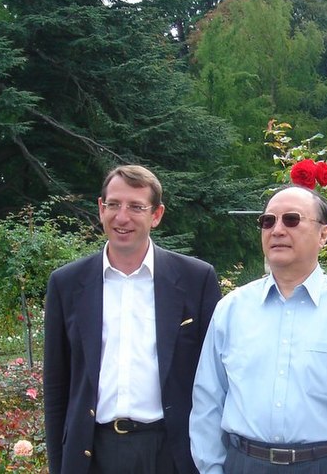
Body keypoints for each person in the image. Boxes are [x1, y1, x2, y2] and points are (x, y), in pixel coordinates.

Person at [190, 184, 327, 474]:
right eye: (268, 221)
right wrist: (211, 468)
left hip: (325, 465)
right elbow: (208, 399)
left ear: (323, 234)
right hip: (244, 463)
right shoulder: (232, 309)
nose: (277, 230)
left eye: (291, 219)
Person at [44, 165, 221, 474]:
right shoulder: (66, 284)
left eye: (136, 207)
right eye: (113, 204)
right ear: (101, 209)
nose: (121, 217)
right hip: (92, 452)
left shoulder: (196, 279)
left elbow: (216, 378)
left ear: (156, 214)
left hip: (171, 451)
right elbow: (57, 386)